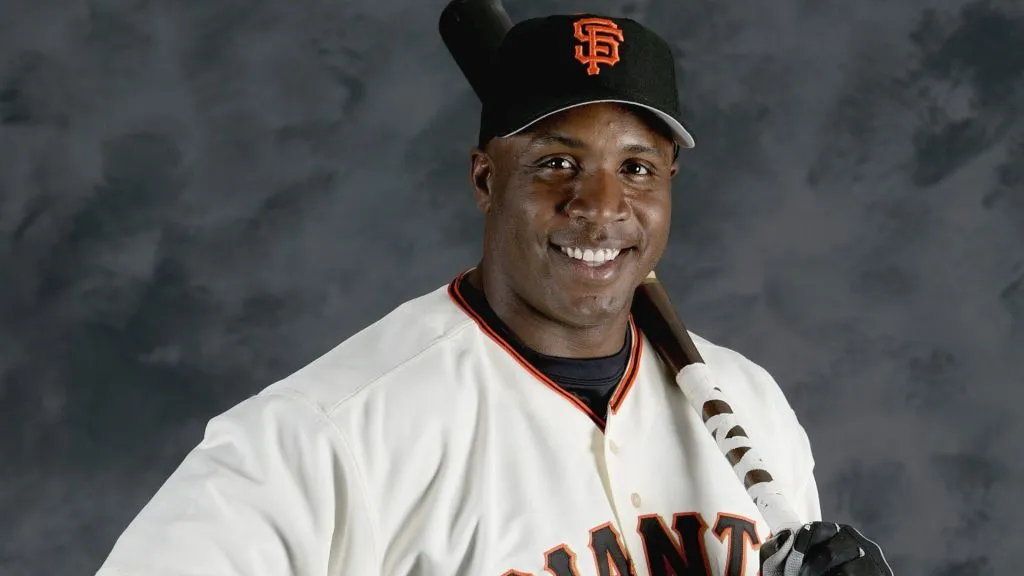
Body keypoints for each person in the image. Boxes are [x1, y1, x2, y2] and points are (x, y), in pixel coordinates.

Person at [95, 11, 893, 576]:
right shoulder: (329, 435)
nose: (601, 206)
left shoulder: (750, 402)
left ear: (670, 187)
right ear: (486, 178)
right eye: (556, 162)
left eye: (636, 168)